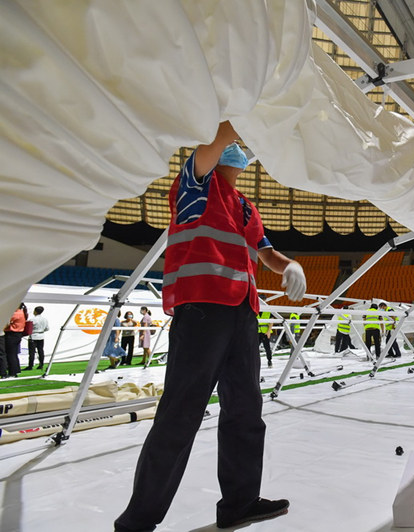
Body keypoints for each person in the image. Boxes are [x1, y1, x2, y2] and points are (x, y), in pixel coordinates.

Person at [114, 121, 306, 532]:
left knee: (245, 409)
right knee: (181, 412)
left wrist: (289, 264)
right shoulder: (196, 184)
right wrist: (238, 114)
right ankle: (138, 520)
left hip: (242, 311)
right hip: (202, 308)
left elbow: (265, 252)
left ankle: (239, 502)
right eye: (236, 146)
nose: (240, 152)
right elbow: (216, 139)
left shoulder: (246, 205)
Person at [3, 303, 28, 378]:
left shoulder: (16, 313)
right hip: (17, 334)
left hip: (12, 334)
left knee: (10, 354)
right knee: (13, 354)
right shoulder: (21, 312)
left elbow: (6, 321)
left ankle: (12, 372)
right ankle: (15, 370)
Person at [25, 306, 49, 370]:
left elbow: (29, 329)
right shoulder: (45, 319)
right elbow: (47, 328)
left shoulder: (32, 319)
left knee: (32, 352)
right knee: (41, 351)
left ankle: (30, 365)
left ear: (35, 311)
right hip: (41, 336)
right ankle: (41, 364)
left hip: (33, 336)